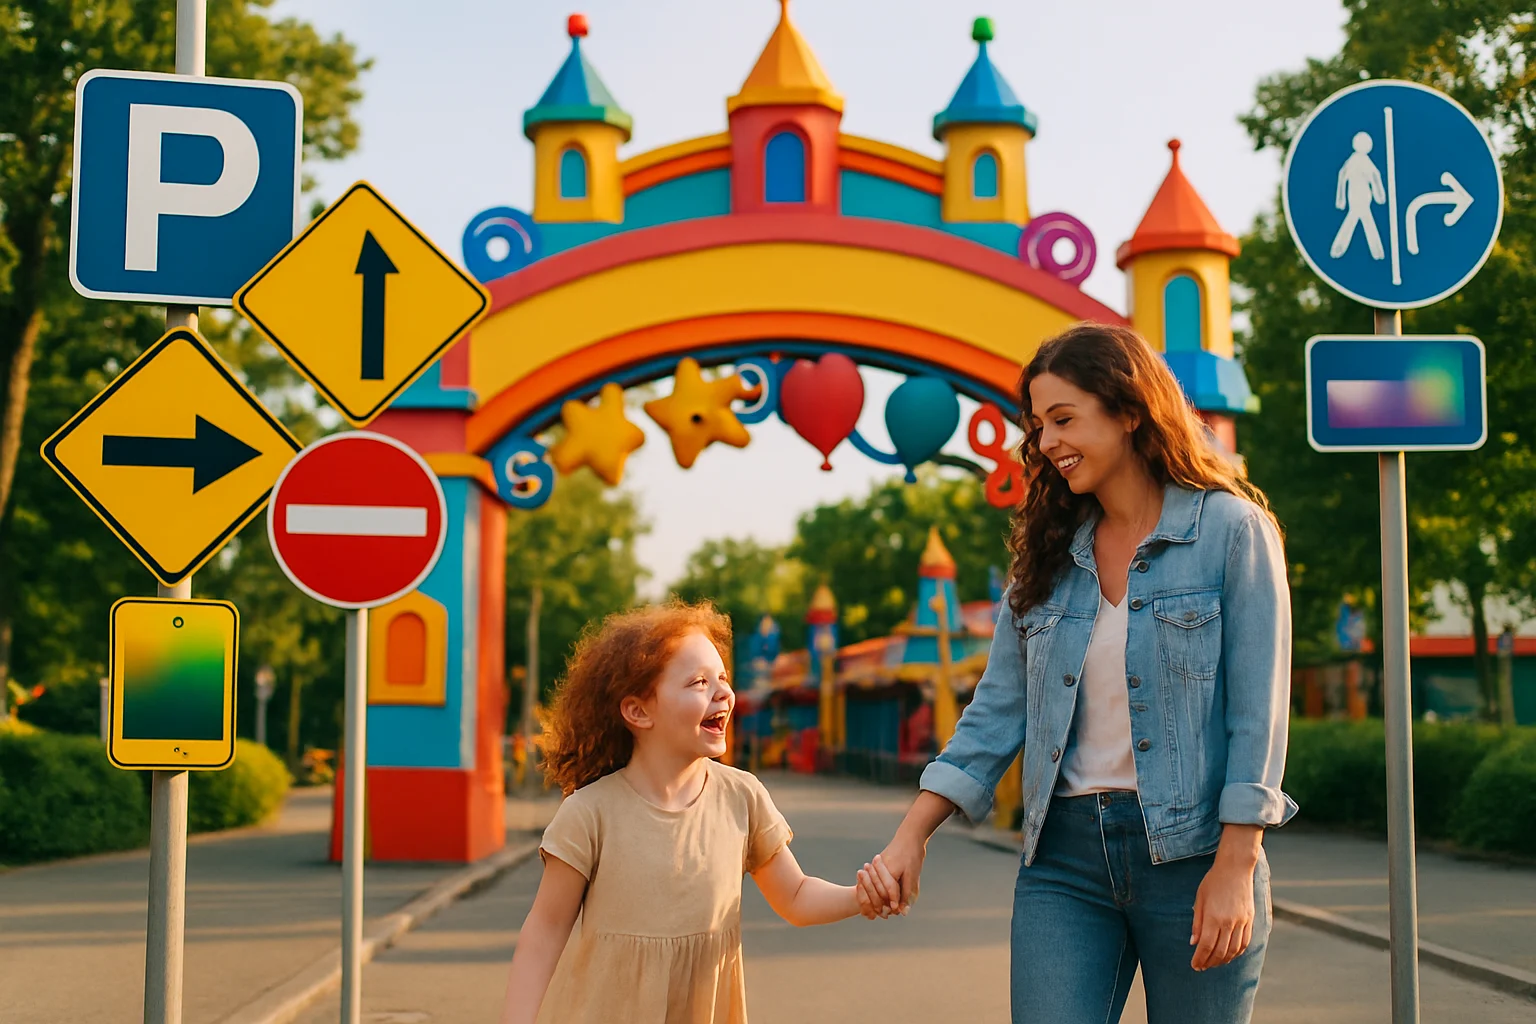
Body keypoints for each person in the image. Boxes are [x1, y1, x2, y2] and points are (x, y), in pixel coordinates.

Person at [859, 323, 1296, 1023]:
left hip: (1194, 858)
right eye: (1038, 427)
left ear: (1129, 412)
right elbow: (997, 712)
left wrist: (1237, 865)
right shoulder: (1048, 557)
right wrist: (911, 834)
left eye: (1064, 419)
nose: (1048, 442)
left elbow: (1259, 712)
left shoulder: (1231, 532)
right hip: (1062, 862)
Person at [499, 601, 884, 1024]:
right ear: (638, 711)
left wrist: (859, 897)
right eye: (699, 682)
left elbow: (794, 896)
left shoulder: (743, 796)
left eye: (723, 678)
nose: (722, 692)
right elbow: (544, 932)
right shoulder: (590, 814)